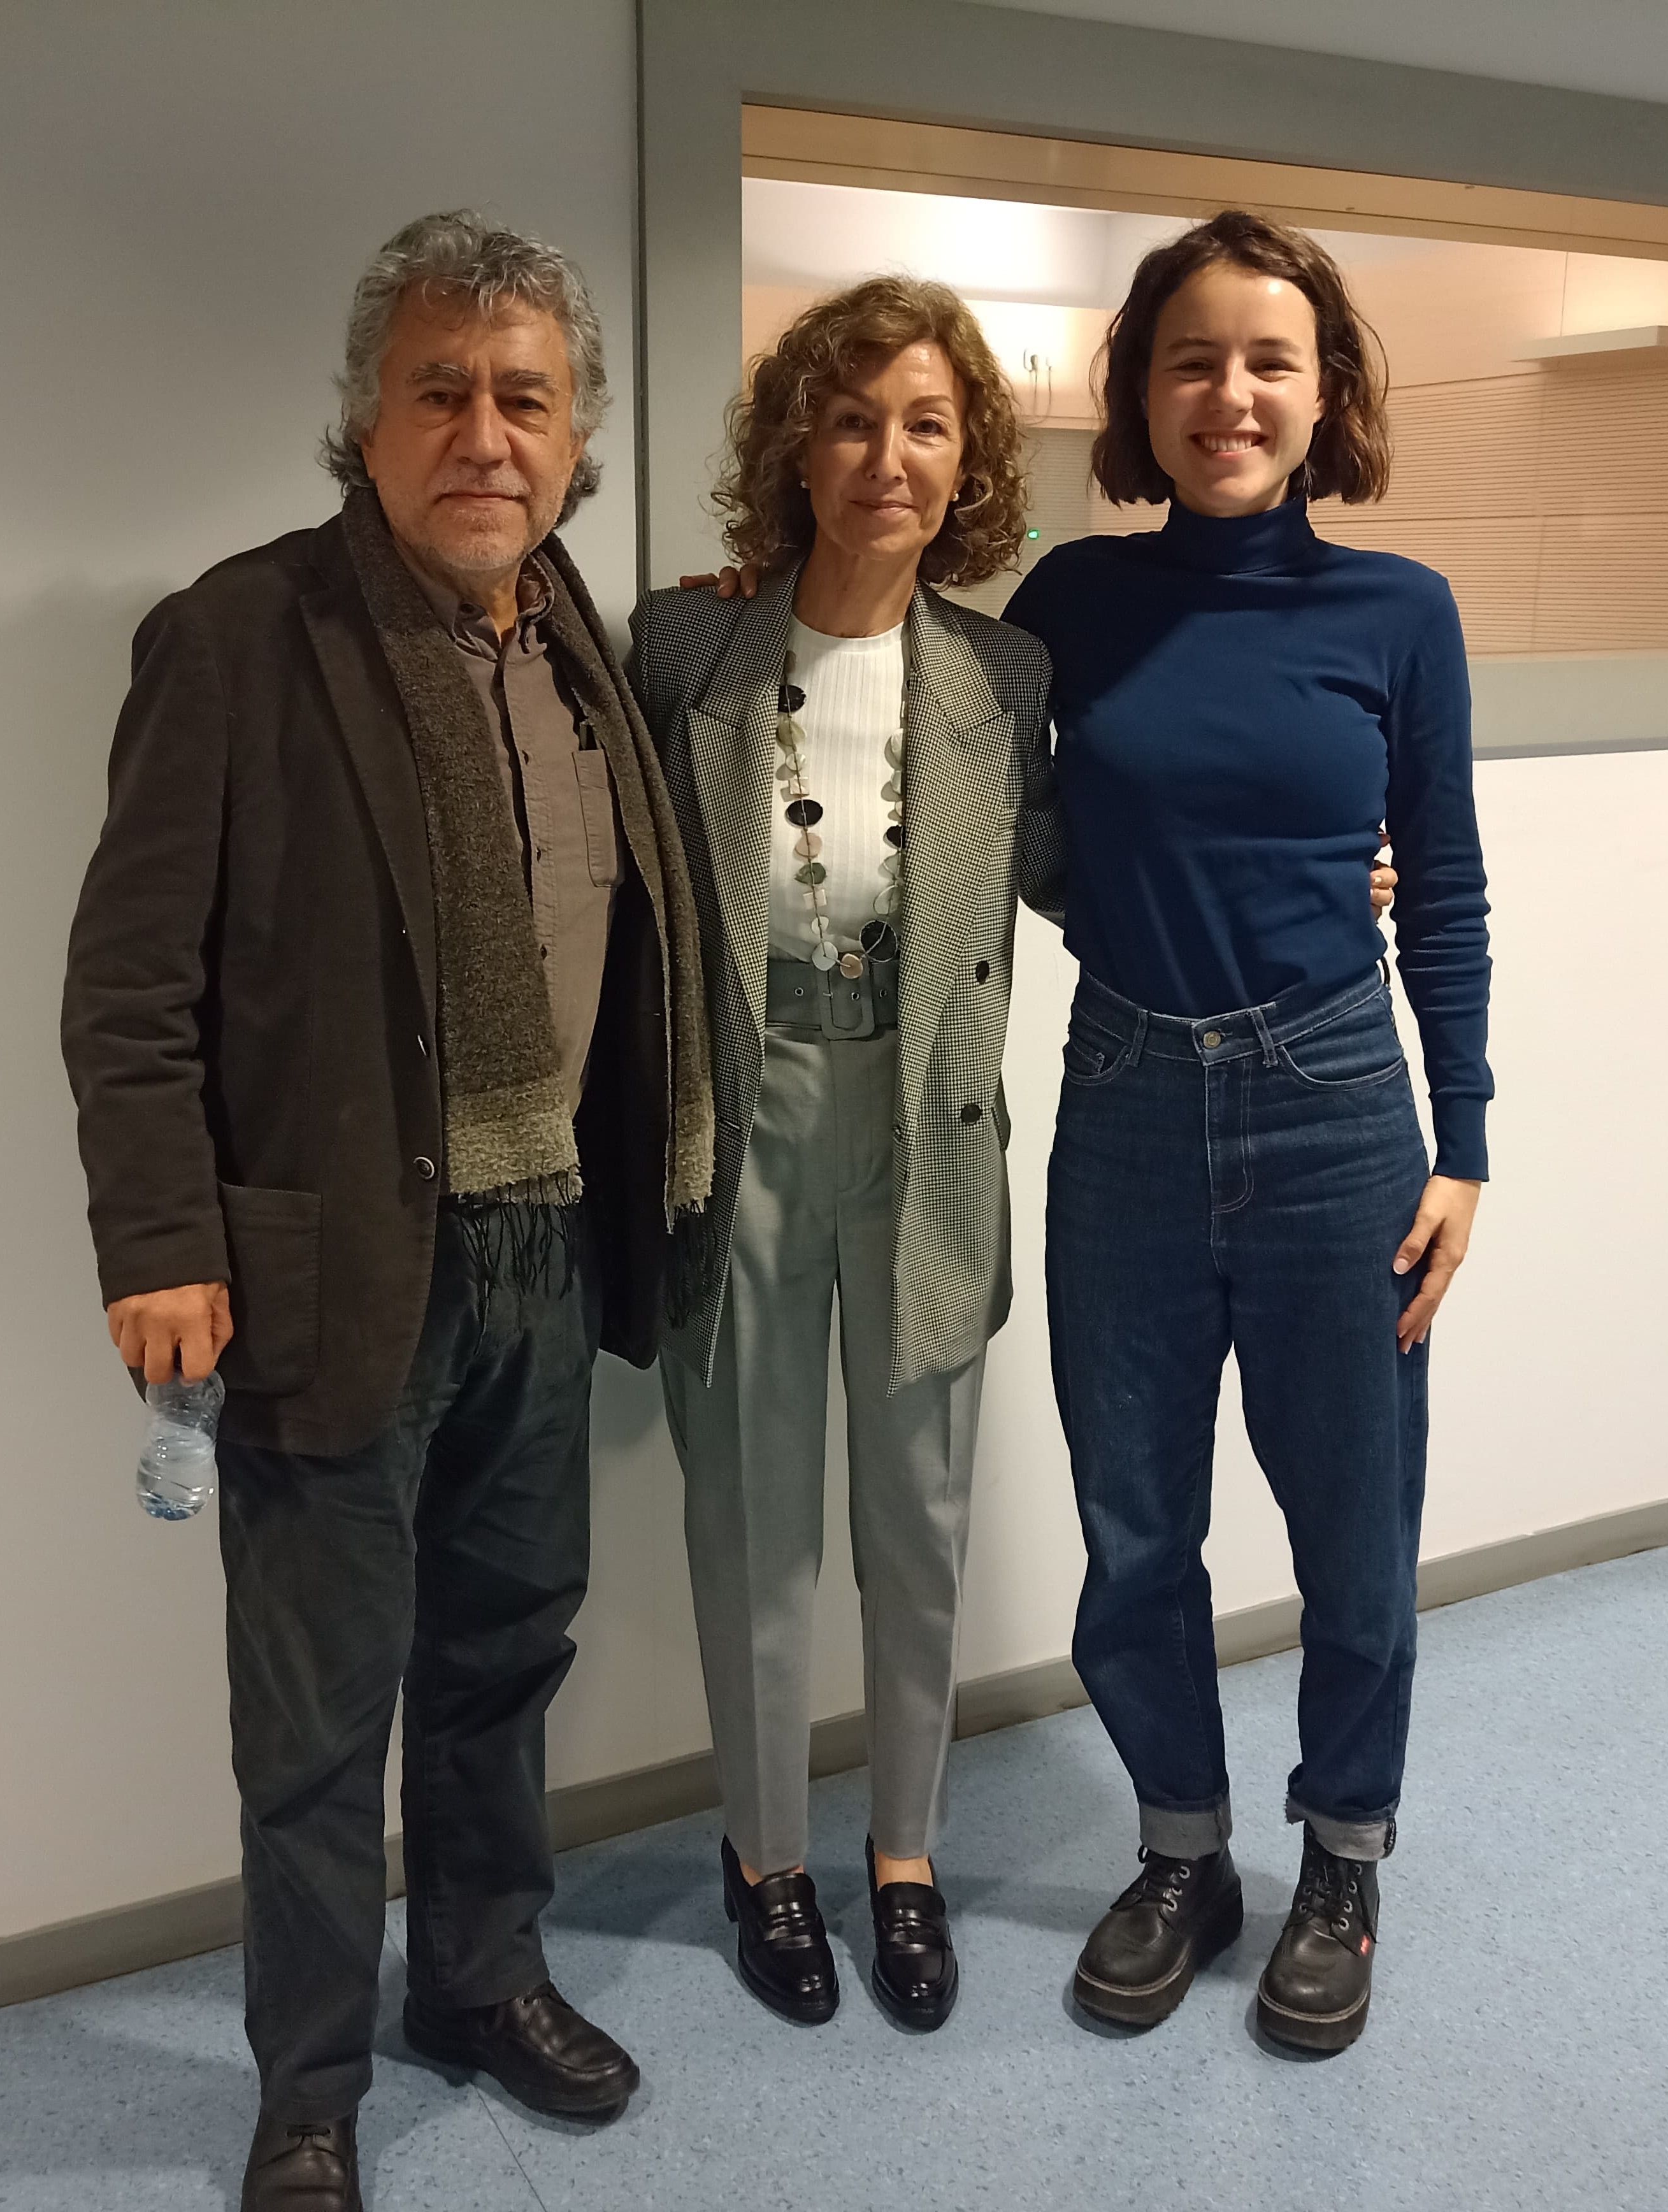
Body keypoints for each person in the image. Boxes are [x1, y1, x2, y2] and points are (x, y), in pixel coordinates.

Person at [60, 212, 714, 2212]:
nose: (485, 434)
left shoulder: (585, 644)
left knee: (506, 1653)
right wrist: (160, 1239)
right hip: (333, 1272)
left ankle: (483, 1980)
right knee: (321, 1720)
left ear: (578, 435)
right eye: (442, 390)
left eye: (526, 397)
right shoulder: (241, 638)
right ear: (365, 420)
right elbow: (130, 985)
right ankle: (312, 2090)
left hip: (542, 1253)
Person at [1003, 209, 1492, 2055]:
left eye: (1270, 359)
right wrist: (757, 599)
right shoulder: (1072, 600)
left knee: (1355, 1530)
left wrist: (1467, 1143)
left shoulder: (1400, 613)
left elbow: (1446, 885)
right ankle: (1185, 1854)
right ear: (1140, 392)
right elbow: (967, 788)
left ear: (1324, 391)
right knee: (1137, 1529)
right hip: (1124, 1102)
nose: (1230, 393)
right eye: (1191, 359)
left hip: (1339, 1114)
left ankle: (1343, 1864)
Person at [629, 278, 1051, 2032]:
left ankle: (904, 1854)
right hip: (746, 1117)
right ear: (797, 447)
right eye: (855, 419)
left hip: (926, 1127)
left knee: (920, 1516)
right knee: (751, 1518)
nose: (890, 456)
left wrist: (1334, 867)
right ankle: (766, 1857)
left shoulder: (1003, 675)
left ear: (970, 461)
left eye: (927, 424)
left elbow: (1090, 863)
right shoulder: (689, 649)